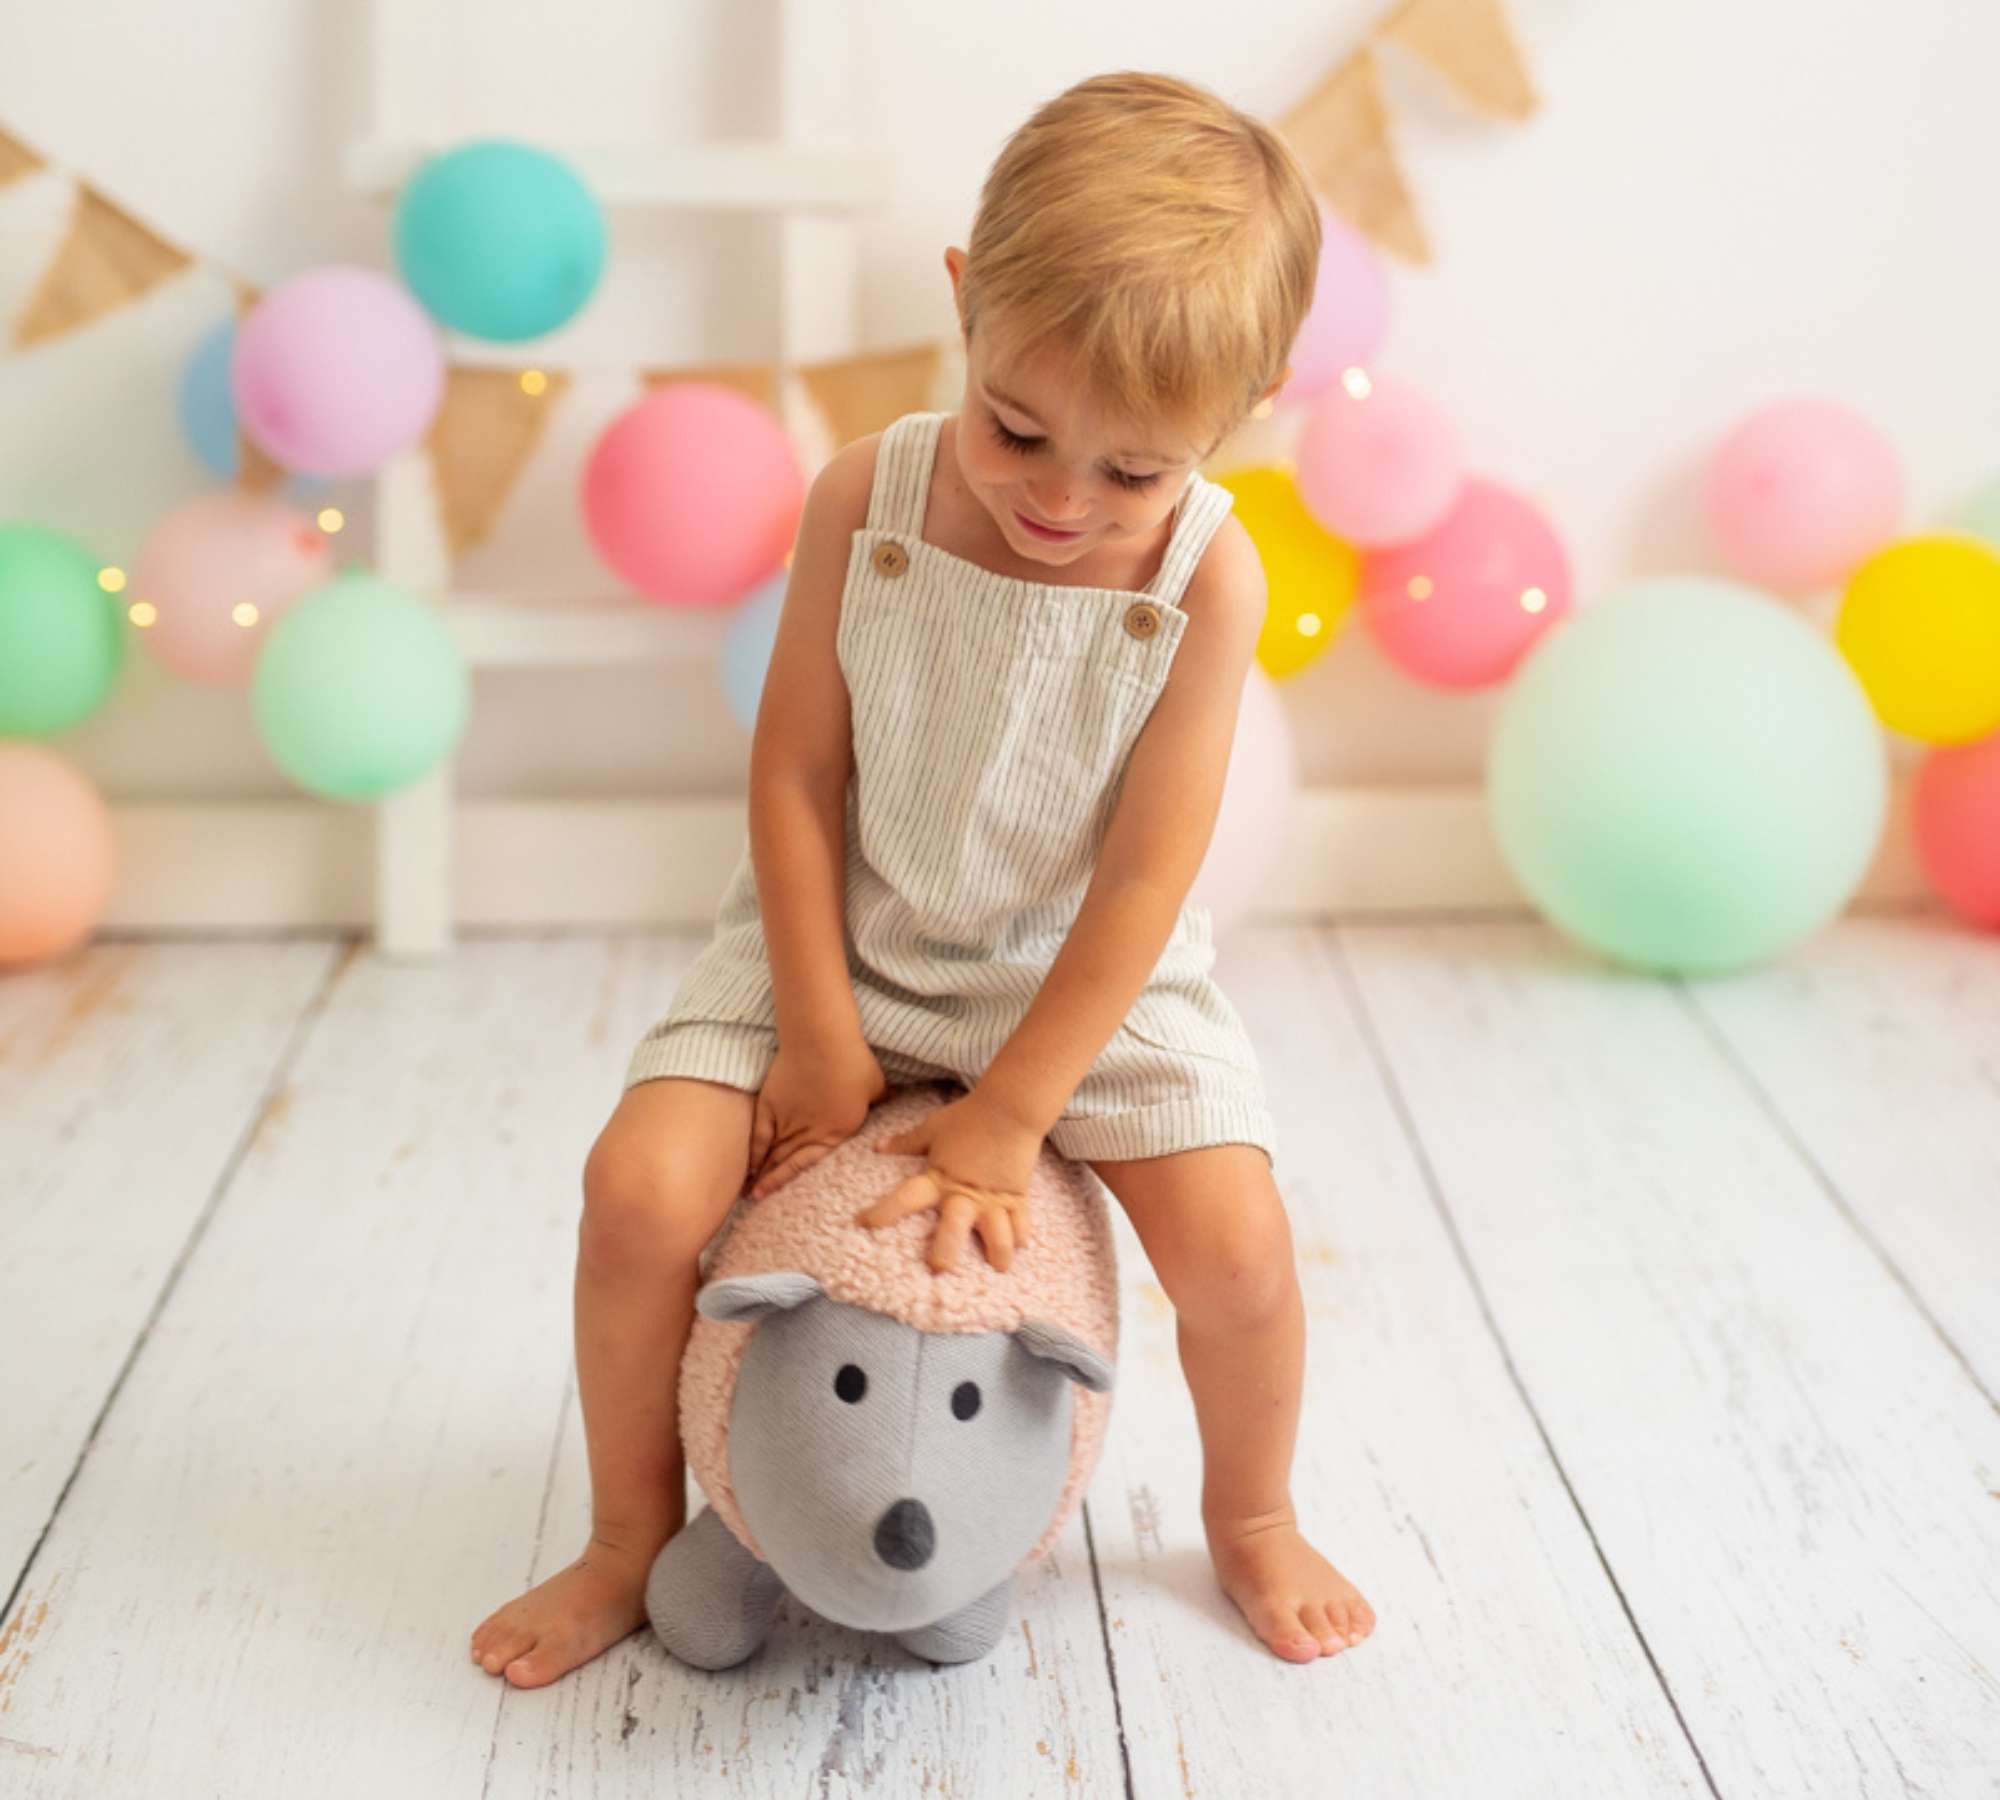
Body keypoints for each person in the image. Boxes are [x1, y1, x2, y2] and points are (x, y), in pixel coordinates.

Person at [472, 68, 1376, 1687]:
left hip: (1086, 976)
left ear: (1241, 412)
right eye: (1021, 430)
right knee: (639, 1193)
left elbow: (1144, 885)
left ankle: (1253, 1516)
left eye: (1133, 471)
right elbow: (797, 776)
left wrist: (1017, 1108)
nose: (1059, 500)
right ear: (963, 306)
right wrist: (821, 1029)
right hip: (841, 931)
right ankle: (627, 1531)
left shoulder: (1210, 580)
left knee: (1241, 1249)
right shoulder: (864, 497)